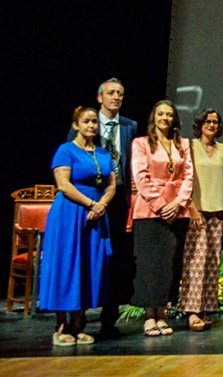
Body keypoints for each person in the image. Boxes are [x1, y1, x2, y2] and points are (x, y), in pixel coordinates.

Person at [40, 106, 115, 346]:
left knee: (88, 267)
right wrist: (92, 203)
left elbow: (111, 185)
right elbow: (64, 185)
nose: (92, 125)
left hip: (95, 215)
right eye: (86, 121)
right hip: (70, 214)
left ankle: (78, 325)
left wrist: (101, 205)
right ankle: (61, 327)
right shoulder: (66, 150)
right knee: (67, 266)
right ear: (76, 125)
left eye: (94, 122)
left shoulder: (103, 153)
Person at [79, 78, 137, 339]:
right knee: (88, 255)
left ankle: (109, 318)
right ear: (100, 97)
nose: (116, 97)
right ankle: (77, 318)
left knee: (116, 259)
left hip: (119, 197)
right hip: (90, 198)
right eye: (111, 93)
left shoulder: (129, 126)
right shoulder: (86, 124)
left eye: (120, 94)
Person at [130, 100, 194, 336]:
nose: (165, 118)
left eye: (169, 114)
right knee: (150, 265)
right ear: (153, 117)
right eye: (161, 114)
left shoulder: (183, 143)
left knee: (169, 265)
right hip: (150, 211)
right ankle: (149, 316)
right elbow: (140, 176)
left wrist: (177, 204)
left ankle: (163, 314)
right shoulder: (141, 143)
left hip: (177, 211)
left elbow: (189, 176)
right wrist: (160, 205)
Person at [180, 108, 223, 331]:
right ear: (200, 124)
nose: (211, 125)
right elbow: (183, 178)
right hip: (197, 210)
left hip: (218, 210)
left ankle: (205, 309)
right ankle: (191, 311)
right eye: (207, 121)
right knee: (196, 263)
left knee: (212, 263)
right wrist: (190, 206)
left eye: (215, 122)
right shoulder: (189, 146)